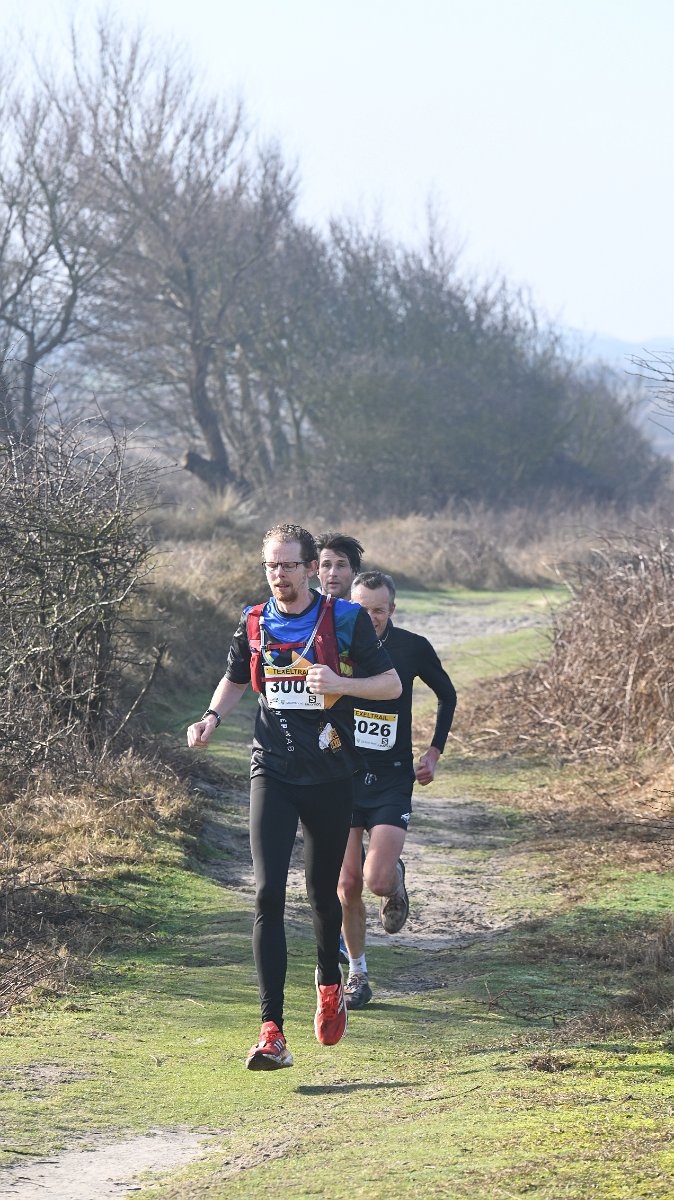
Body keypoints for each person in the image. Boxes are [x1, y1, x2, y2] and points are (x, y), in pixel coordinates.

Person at [187, 525, 401, 1070]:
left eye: (288, 565)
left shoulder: (345, 619)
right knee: (266, 895)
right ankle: (271, 1032)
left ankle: (329, 984)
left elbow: (391, 684)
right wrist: (211, 717)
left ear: (309, 568)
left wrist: (340, 683)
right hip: (272, 771)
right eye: (271, 566)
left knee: (323, 895)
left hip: (330, 774)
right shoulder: (254, 621)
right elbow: (236, 679)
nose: (278, 575)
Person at [338, 570, 457, 1010]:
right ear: (348, 607)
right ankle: (357, 974)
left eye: (379, 610)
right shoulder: (333, 645)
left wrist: (433, 752)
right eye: (361, 610)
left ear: (392, 609)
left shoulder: (411, 647)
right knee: (347, 885)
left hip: (390, 778)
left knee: (376, 880)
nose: (370, 618)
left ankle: (396, 878)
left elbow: (447, 695)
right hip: (342, 777)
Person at [316, 531, 365, 600]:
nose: (333, 573)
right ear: (317, 571)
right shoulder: (303, 605)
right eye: (326, 565)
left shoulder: (367, 606)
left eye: (341, 565)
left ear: (355, 571)